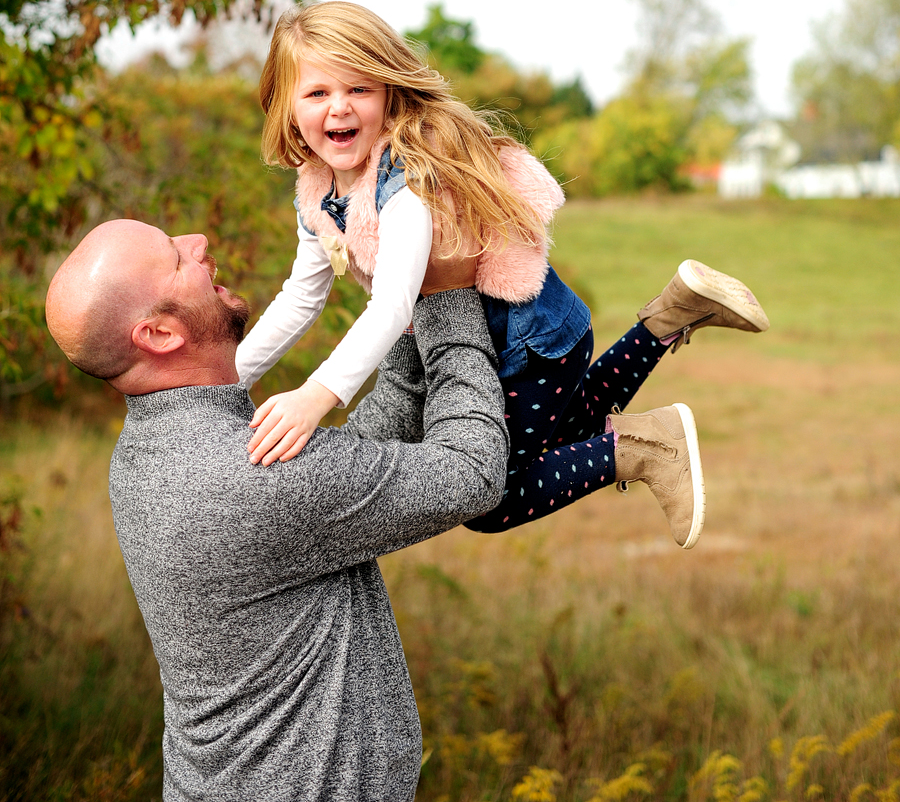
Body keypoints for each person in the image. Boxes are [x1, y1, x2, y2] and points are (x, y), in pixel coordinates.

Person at [45, 219, 705, 799]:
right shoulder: (244, 475)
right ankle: (641, 421)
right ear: (158, 332)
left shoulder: (153, 453)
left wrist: (404, 301)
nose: (200, 243)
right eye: (175, 257)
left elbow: (351, 465)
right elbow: (473, 473)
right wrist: (445, 296)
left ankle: (651, 372)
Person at [234, 1, 770, 547]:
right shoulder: (319, 188)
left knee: (492, 495)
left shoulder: (406, 183)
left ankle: (646, 447)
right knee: (573, 427)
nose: (339, 109)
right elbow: (301, 296)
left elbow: (393, 306)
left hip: (526, 343)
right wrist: (228, 380)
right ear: (287, 105)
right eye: (318, 92)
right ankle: (672, 315)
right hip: (514, 337)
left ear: (390, 93)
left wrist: (316, 395)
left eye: (359, 90)